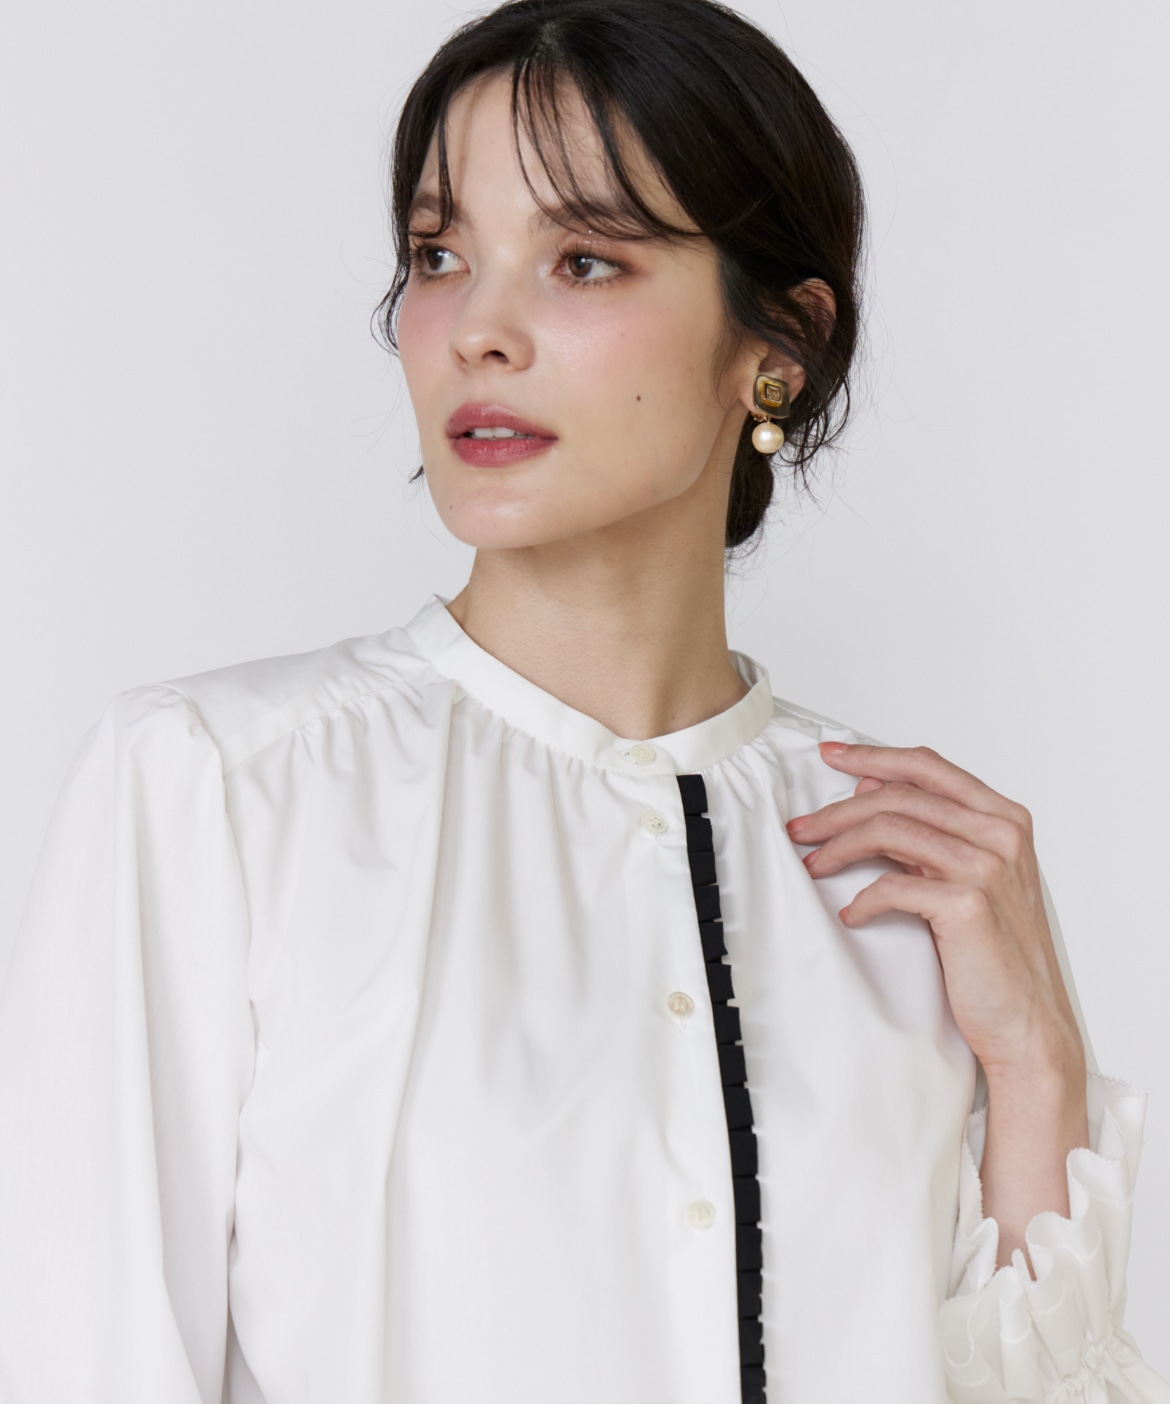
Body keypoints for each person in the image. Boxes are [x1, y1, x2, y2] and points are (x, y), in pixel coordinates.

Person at [0, 1, 1165, 1401]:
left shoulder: (911, 866)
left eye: (583, 261)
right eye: (438, 255)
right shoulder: (221, 791)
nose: (477, 332)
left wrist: (1036, 1069)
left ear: (776, 346)